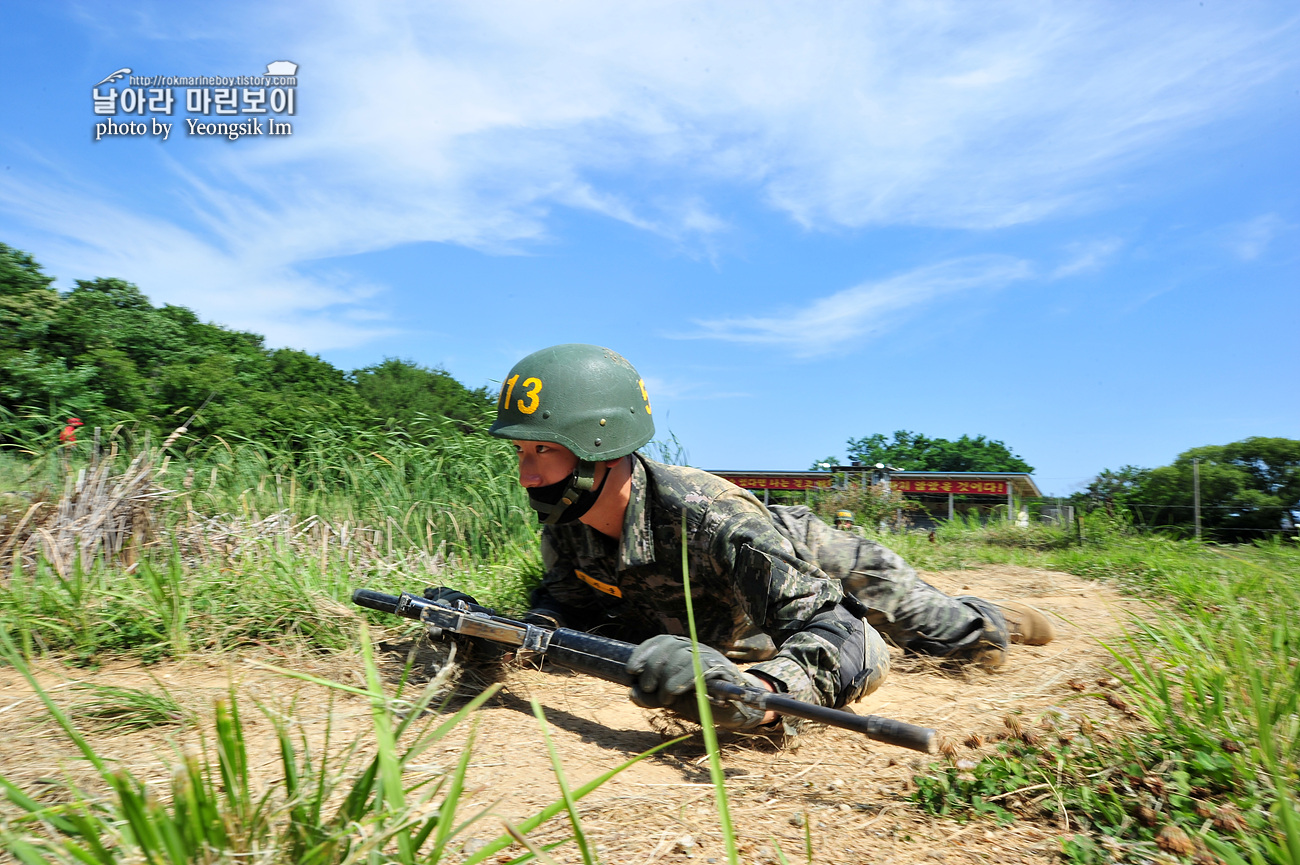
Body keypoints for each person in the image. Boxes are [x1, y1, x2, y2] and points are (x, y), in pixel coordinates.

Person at [451, 344, 1051, 732]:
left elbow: (851, 639)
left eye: (545, 451)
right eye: (523, 452)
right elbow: (567, 601)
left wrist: (762, 694)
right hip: (737, 624)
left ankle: (999, 617)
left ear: (598, 448)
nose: (528, 473)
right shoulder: (566, 517)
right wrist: (504, 634)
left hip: (817, 559)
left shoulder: (717, 520)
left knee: (948, 634)